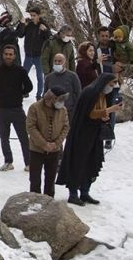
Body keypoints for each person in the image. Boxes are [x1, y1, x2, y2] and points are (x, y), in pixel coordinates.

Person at [57, 74, 122, 206]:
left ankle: (85, 192)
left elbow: (98, 112)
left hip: (94, 134)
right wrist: (109, 110)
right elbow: (91, 113)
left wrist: (104, 116)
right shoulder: (90, 92)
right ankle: (73, 194)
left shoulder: (101, 94)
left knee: (91, 162)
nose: (112, 87)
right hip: (82, 134)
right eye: (111, 83)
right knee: (78, 163)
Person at [0, 45, 33, 171]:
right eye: (6, 54)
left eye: (10, 54)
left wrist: (18, 92)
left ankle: (29, 163)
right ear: (2, 55)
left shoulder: (21, 71)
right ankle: (8, 161)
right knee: (4, 137)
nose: (8, 56)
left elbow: (29, 86)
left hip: (17, 108)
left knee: (24, 137)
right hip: (1, 109)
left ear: (14, 56)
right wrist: (3, 91)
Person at [25, 87, 70, 197]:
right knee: (35, 179)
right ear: (51, 99)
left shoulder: (62, 110)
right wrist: (44, 144)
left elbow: (66, 127)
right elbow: (31, 127)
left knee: (50, 180)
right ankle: (34, 202)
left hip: (54, 150)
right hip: (37, 149)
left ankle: (49, 202)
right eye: (60, 99)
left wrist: (56, 144)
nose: (61, 102)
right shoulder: (35, 108)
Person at [21, 8, 52, 100]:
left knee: (40, 76)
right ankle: (24, 91)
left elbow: (49, 38)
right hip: (28, 54)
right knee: (23, 74)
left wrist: (45, 30)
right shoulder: (29, 25)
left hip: (39, 55)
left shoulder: (43, 25)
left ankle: (39, 95)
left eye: (34, 15)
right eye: (31, 15)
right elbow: (21, 35)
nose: (32, 17)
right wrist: (22, 25)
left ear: (38, 15)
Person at [44, 53, 82, 119]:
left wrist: (75, 111)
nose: (57, 63)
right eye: (55, 61)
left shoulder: (72, 76)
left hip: (69, 112)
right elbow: (45, 95)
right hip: (52, 113)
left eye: (59, 61)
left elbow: (78, 94)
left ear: (64, 62)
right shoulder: (49, 77)